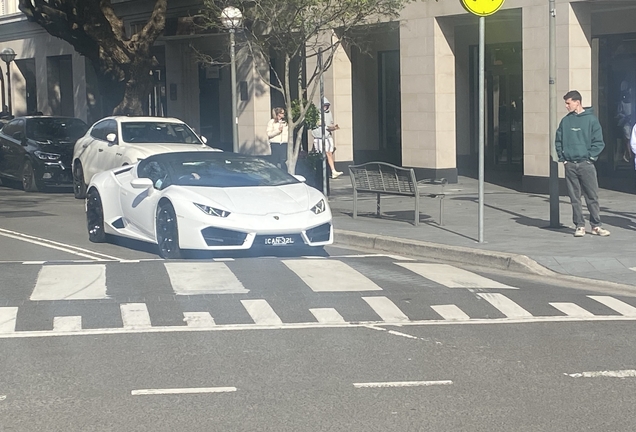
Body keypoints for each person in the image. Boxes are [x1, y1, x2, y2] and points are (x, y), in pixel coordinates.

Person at [555, 90, 610, 237]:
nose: (566, 106)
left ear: (577, 102)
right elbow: (558, 141)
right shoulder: (565, 121)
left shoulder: (591, 120)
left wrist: (590, 158)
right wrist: (564, 159)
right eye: (566, 103)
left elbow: (599, 142)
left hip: (586, 164)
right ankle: (579, 225)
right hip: (570, 164)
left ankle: (596, 225)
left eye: (568, 103)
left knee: (592, 196)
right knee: (574, 197)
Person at [312, 97, 343, 179]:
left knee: (329, 153)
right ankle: (319, 171)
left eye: (327, 105)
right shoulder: (315, 114)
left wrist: (333, 127)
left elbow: (328, 125)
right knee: (320, 154)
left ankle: (333, 171)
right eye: (324, 105)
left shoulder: (329, 113)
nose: (325, 107)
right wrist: (318, 123)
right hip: (319, 136)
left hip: (327, 136)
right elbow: (312, 124)